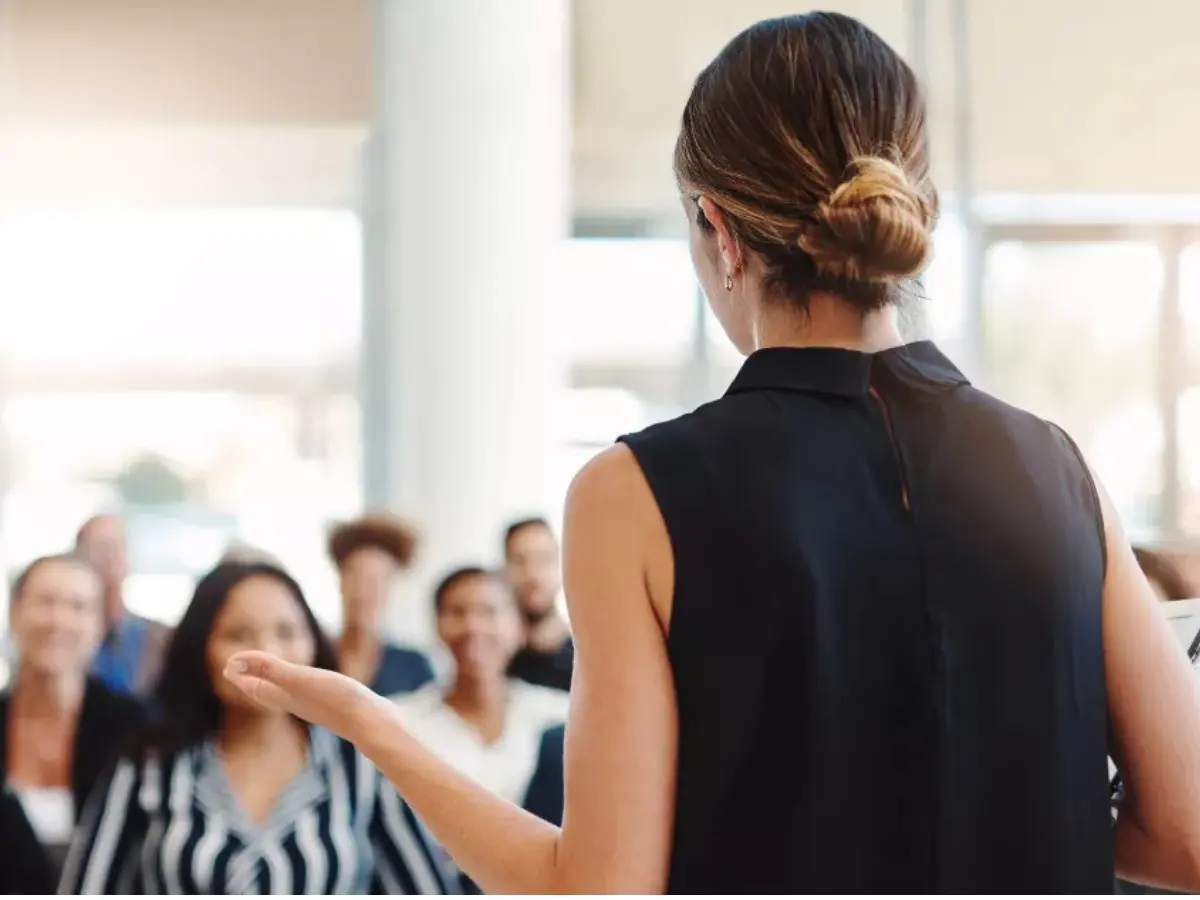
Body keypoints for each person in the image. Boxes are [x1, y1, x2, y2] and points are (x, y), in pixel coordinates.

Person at [220, 12, 1200, 894]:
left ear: (719, 234)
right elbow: (1184, 840)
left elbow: (599, 892)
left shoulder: (635, 495)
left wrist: (375, 727)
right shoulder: (1056, 469)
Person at [58, 561, 452, 894]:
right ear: (201, 649)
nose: (266, 654)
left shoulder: (361, 764)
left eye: (287, 632)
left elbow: (426, 887)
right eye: (237, 635)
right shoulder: (149, 766)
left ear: (313, 643)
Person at [0, 555, 145, 893]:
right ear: (14, 613)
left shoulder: (136, 729)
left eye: (78, 607)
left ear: (100, 625)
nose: (58, 620)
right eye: (45, 602)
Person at [393, 567, 567, 809]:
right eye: (457, 612)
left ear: (519, 626)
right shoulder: (401, 721)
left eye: (490, 612)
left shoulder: (558, 715)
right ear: (437, 626)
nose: (473, 626)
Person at [329, 515, 436, 695]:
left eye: (375, 582)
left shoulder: (412, 666)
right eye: (355, 578)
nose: (362, 592)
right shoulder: (312, 654)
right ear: (340, 581)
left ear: (390, 588)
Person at [74, 514, 171, 695]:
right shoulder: (65, 632)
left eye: (118, 546)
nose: (111, 555)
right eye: (101, 547)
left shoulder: (158, 637)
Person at [503, 518, 573, 691]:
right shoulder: (491, 664)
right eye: (519, 561)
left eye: (544, 559)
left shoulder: (589, 660)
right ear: (504, 569)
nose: (532, 574)